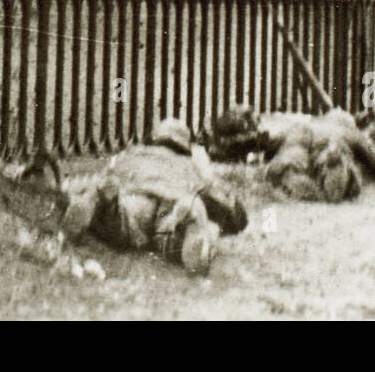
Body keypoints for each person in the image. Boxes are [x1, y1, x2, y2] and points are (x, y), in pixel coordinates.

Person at [63, 118, 248, 275]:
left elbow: (110, 173)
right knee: (190, 220)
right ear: (185, 146)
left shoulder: (133, 153)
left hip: (133, 205)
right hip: (169, 211)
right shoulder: (188, 163)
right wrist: (206, 173)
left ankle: (96, 201)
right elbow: (225, 204)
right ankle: (196, 239)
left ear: (155, 138)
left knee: (108, 201)